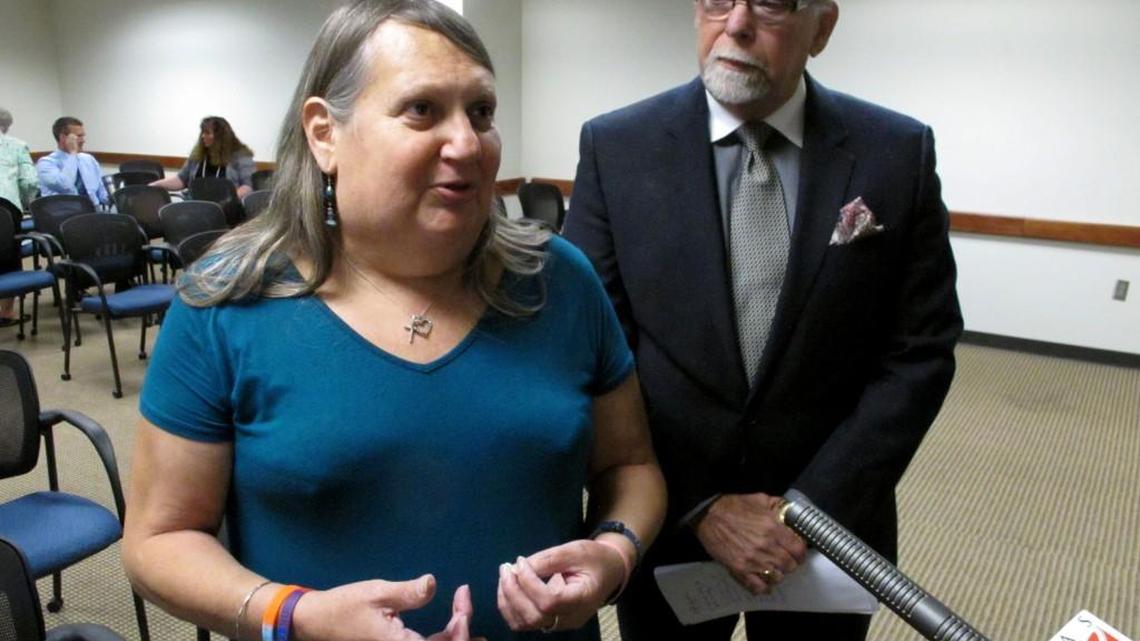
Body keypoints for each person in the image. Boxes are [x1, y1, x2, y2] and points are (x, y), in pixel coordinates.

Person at [122, 2, 666, 641]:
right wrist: (296, 615)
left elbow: (630, 467)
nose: (466, 143)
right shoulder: (227, 302)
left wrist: (613, 552)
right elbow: (159, 540)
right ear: (325, 133)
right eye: (422, 110)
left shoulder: (559, 280)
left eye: (482, 112)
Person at [563, 1, 963, 639]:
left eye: (772, 3)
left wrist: (805, 515)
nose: (737, 23)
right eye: (717, 0)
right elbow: (595, 346)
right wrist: (702, 506)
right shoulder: (617, 147)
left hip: (828, 530)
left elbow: (920, 351)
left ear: (822, 28)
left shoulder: (895, 152)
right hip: (672, 521)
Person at [150, 116, 256, 198]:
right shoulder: (198, 155)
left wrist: (229, 199)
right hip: (196, 204)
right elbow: (181, 180)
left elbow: (248, 186)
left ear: (220, 136)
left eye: (207, 133)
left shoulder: (241, 156)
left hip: (227, 208)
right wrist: (156, 185)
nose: (202, 136)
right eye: (202, 132)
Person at [0, 107, 39, 326]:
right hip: (5, 205)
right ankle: (6, 313)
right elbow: (29, 182)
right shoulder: (16, 145)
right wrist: (25, 203)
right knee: (8, 257)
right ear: (6, 126)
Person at [35, 116, 109, 208]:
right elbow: (66, 186)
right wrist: (72, 153)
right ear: (63, 137)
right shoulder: (46, 163)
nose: (83, 140)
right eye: (78, 136)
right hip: (63, 215)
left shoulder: (88, 159)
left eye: (83, 136)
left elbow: (101, 191)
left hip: (93, 211)